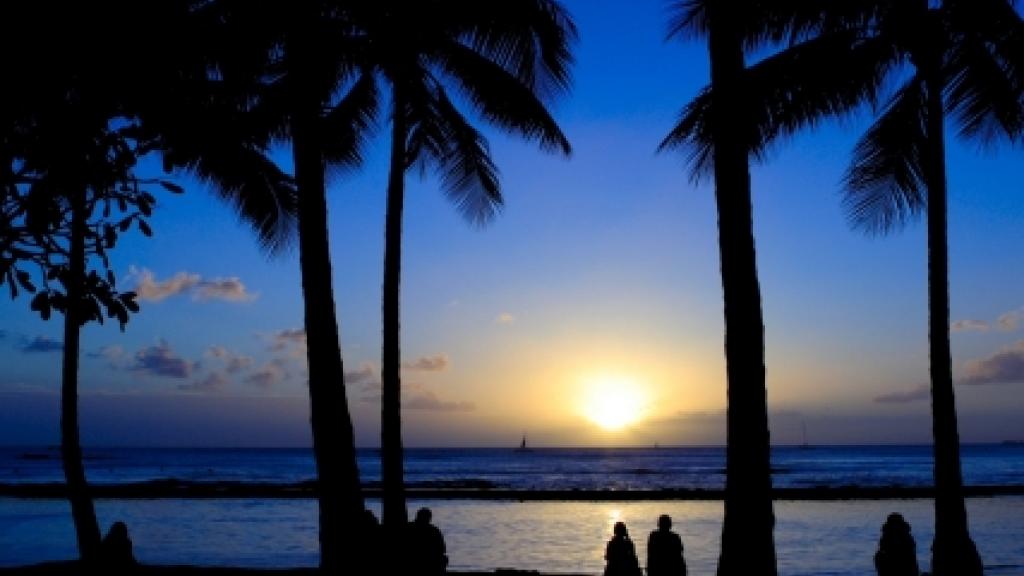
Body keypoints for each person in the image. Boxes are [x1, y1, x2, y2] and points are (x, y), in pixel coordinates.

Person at [406, 507, 448, 576]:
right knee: (444, 558)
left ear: (417, 516)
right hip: (430, 561)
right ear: (429, 518)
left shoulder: (408, 527)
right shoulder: (434, 530)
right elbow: (442, 549)